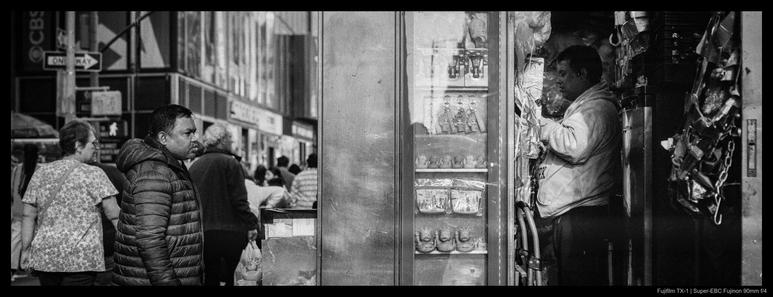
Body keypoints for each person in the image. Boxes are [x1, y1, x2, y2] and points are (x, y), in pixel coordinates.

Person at [534, 45, 621, 286]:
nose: (559, 80)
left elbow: (574, 145)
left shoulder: (596, 109)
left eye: (564, 73)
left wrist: (543, 126)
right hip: (574, 214)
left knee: (579, 277)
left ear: (582, 74)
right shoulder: (587, 106)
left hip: (582, 216)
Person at [19, 120, 121, 286]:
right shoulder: (94, 174)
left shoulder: (41, 173)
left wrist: (25, 249)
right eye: (93, 143)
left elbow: (28, 215)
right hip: (81, 259)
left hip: (46, 257)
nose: (97, 147)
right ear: (78, 145)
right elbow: (114, 214)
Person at [113, 104, 204, 286]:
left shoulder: (169, 164)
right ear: (163, 138)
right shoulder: (154, 173)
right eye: (187, 133)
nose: (194, 139)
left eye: (194, 132)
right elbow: (149, 239)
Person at [189, 124, 259, 287]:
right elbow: (239, 200)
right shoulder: (231, 163)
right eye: (229, 137)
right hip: (231, 233)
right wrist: (252, 224)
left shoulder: (196, 165)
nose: (232, 141)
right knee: (233, 278)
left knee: (210, 277)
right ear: (220, 140)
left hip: (204, 233)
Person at [86, 159, 130, 286]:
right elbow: (124, 203)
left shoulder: (72, 175)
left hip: (80, 247)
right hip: (108, 242)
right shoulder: (111, 171)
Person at [10, 144, 40, 282]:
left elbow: (11, 189)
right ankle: (26, 265)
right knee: (32, 238)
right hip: (33, 210)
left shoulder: (17, 169)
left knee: (15, 239)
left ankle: (12, 267)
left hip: (17, 208)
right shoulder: (40, 169)